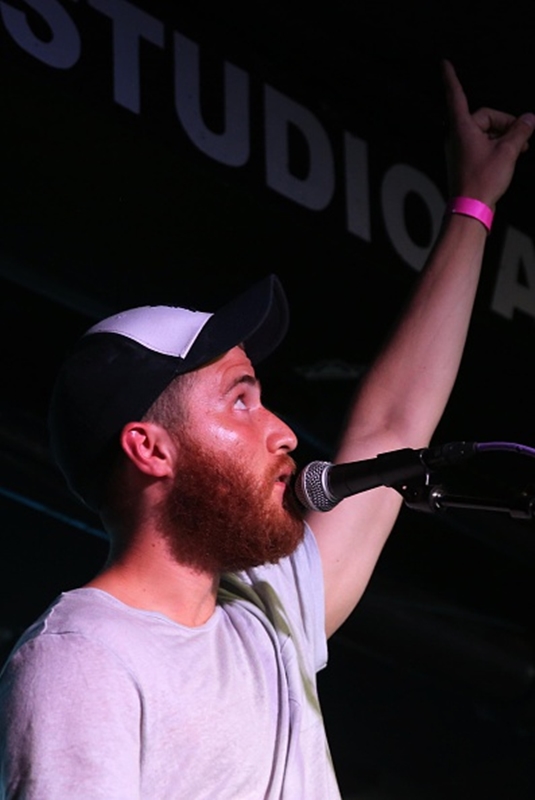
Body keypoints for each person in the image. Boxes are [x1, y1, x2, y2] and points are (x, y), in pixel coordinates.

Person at [0, 62, 533, 800]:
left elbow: (393, 427)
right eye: (241, 402)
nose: (283, 430)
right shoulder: (84, 660)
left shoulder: (266, 605)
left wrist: (472, 205)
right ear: (149, 448)